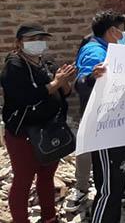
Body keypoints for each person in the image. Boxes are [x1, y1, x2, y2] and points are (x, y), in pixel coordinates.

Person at [1, 23, 76, 223]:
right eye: (31, 39)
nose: (37, 43)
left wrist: (64, 81)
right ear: (19, 43)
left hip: (49, 129)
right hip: (23, 133)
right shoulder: (14, 66)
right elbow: (27, 97)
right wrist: (56, 82)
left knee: (46, 175)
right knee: (23, 179)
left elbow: (65, 92)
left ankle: (49, 217)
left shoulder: (47, 62)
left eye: (40, 39)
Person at [73, 10, 125, 222]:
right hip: (105, 130)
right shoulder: (95, 51)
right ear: (112, 31)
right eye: (123, 31)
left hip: (117, 125)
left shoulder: (111, 50)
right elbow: (84, 83)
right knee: (109, 190)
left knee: (116, 185)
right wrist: (93, 77)